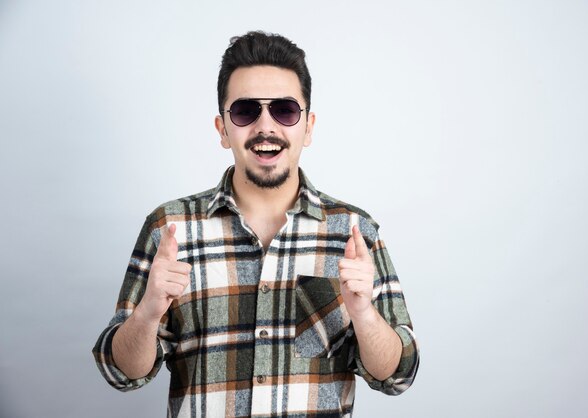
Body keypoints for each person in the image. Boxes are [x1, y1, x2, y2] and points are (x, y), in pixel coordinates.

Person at [93, 31, 419, 417]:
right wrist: (147, 313)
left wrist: (364, 315)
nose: (266, 126)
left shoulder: (353, 231)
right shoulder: (170, 229)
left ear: (308, 127)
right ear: (222, 129)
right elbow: (120, 373)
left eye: (284, 110)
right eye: (246, 111)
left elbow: (397, 375)